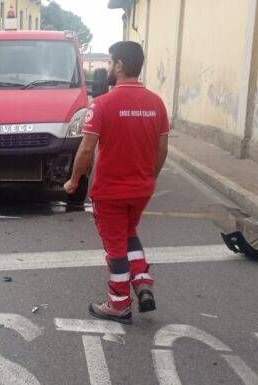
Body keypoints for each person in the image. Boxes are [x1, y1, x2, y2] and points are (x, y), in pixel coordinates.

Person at [64, 41, 169, 324]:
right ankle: (142, 281)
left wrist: (74, 180)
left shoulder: (102, 104)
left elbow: (86, 150)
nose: (108, 68)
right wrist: (150, 178)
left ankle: (118, 304)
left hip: (110, 192)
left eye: (110, 63)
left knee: (115, 249)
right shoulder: (156, 103)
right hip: (141, 190)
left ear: (120, 65)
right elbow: (162, 150)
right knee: (129, 233)